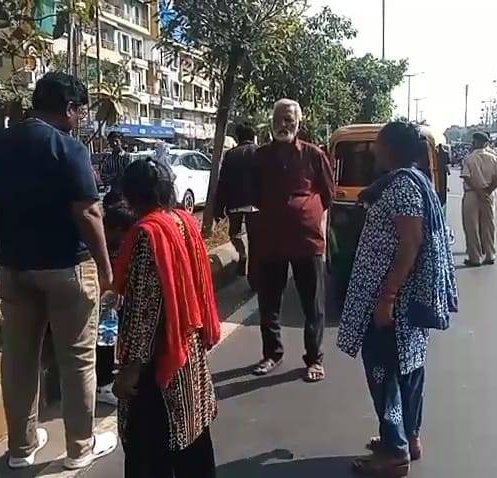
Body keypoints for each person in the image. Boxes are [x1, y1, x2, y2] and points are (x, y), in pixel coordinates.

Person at [0, 72, 117, 470]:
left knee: (19, 359)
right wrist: (105, 268)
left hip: (15, 268)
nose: (81, 119)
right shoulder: (68, 148)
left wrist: (6, 245)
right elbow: (88, 213)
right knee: (77, 359)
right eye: (80, 112)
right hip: (67, 267)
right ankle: (80, 447)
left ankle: (21, 448)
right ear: (69, 108)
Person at [337, 121, 457, 478]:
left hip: (395, 304)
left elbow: (411, 242)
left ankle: (394, 451)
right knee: (409, 370)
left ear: (391, 148)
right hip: (404, 302)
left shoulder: (403, 186)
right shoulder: (413, 180)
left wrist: (387, 297)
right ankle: (408, 437)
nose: (374, 150)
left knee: (383, 372)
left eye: (378, 143)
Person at [112, 158, 221, 478]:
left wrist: (130, 371)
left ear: (131, 196)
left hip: (160, 362)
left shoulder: (148, 234)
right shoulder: (183, 221)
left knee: (152, 447)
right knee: (192, 437)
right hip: (189, 350)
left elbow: (144, 311)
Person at [251, 99, 334, 382]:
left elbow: (328, 194)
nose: (283, 124)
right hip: (270, 241)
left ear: (299, 122)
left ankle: (314, 359)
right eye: (278, 119)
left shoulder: (314, 155)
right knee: (268, 304)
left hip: (306, 242)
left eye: (288, 119)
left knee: (312, 305)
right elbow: (253, 194)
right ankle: (271, 354)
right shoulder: (260, 156)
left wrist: (311, 217)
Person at [96, 198, 137, 406]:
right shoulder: (97, 242)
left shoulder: (115, 242)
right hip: (102, 300)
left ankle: (111, 371)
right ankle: (103, 384)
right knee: (106, 338)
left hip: (113, 297)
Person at [214, 123, 259, 281]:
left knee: (234, 234)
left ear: (238, 138)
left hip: (235, 204)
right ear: (253, 137)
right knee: (255, 239)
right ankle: (254, 274)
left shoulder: (230, 155)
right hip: (256, 205)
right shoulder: (260, 152)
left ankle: (242, 254)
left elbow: (223, 182)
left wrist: (218, 208)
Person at [460, 132, 497, 267]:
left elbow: (466, 176)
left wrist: (478, 191)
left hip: (472, 194)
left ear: (475, 142)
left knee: (471, 227)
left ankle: (475, 257)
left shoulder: (469, 158)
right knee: (488, 225)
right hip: (488, 194)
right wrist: (488, 190)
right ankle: (490, 254)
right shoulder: (494, 158)